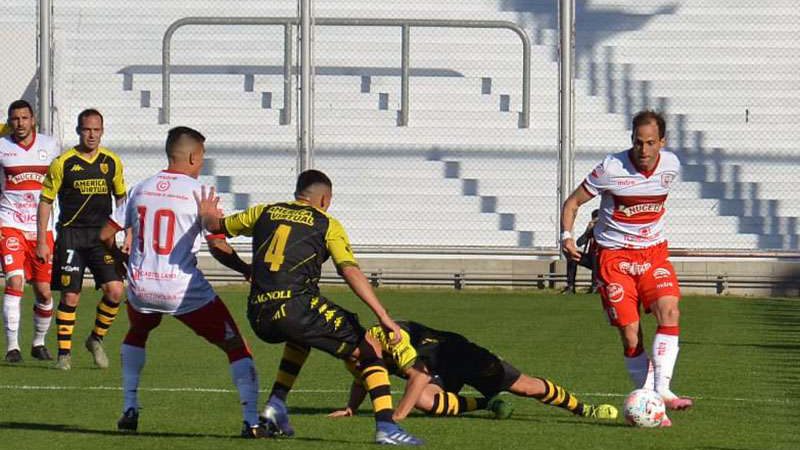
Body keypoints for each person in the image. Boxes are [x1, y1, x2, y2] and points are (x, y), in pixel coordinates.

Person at [197, 169, 423, 446]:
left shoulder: (264, 211)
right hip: (295, 306)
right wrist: (383, 315)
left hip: (258, 313)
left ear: (298, 194)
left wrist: (208, 214)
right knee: (369, 347)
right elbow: (349, 270)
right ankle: (387, 427)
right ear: (325, 199)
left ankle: (274, 408)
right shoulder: (327, 223)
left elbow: (215, 231)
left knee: (300, 337)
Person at [98, 126, 266, 438]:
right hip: (182, 291)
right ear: (191, 156)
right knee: (236, 346)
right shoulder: (199, 193)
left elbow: (105, 235)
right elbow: (217, 246)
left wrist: (123, 262)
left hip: (141, 288)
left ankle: (130, 407)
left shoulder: (140, 188)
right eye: (201, 158)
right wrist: (244, 268)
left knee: (137, 332)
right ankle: (252, 422)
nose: (201, 164)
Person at [560, 110, 692, 427]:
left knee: (670, 311)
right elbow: (573, 202)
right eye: (637, 142)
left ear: (662, 142)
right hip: (614, 258)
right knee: (631, 335)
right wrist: (566, 236)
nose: (643, 150)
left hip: (653, 254)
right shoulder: (611, 168)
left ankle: (662, 391)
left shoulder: (672, 166)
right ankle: (646, 398)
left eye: (650, 143)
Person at [329, 320, 618, 422]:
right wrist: (351, 409)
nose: (361, 364)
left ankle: (584, 409)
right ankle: (486, 404)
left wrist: (397, 416)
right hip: (437, 370)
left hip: (462, 356)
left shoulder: (392, 337)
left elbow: (418, 376)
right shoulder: (356, 354)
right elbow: (363, 381)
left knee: (526, 387)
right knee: (423, 400)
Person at [36, 108, 126, 370]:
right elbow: (45, 202)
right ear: (78, 131)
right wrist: (43, 239)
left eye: (96, 130)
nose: (91, 135)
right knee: (71, 297)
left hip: (101, 237)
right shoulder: (63, 162)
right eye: (87, 129)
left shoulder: (112, 162)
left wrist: (127, 232)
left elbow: (122, 198)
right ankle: (64, 354)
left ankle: (95, 339)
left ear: (102, 131)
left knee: (116, 291)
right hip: (71, 237)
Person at [0, 100, 59, 363]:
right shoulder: (1, 147)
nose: (20, 123)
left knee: (44, 291)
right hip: (10, 224)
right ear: (9, 121)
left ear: (33, 119)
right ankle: (13, 348)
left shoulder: (50, 146)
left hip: (42, 229)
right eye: (15, 119)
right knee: (14, 282)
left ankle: (38, 343)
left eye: (24, 118)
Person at [562, 209, 599, 294]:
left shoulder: (606, 231)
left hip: (603, 260)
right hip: (591, 260)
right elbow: (579, 243)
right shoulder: (591, 231)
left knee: (595, 255)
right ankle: (570, 287)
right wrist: (588, 231)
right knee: (573, 256)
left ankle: (595, 286)